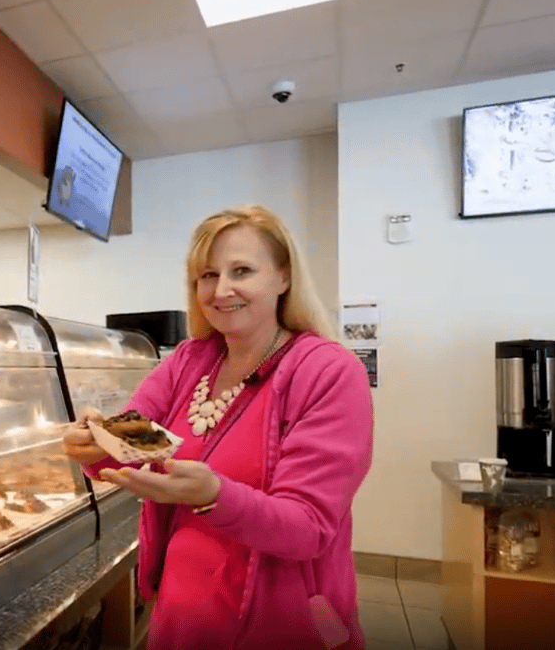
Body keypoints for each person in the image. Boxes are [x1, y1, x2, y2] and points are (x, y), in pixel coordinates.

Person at [63, 204, 374, 650]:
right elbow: (136, 444)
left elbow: (309, 526)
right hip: (182, 611)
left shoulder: (328, 371)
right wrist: (97, 440)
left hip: (287, 621)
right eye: (208, 275)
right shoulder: (189, 361)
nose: (221, 290)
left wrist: (215, 496)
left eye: (242, 270)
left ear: (284, 277)